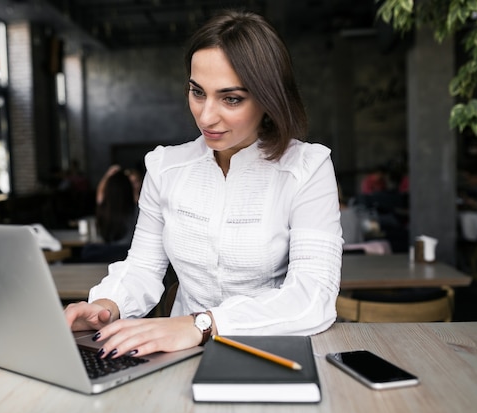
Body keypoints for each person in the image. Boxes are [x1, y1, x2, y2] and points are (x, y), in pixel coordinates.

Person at [65, 10, 343, 359]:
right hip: (178, 352)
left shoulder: (307, 168)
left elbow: (313, 297)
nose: (206, 116)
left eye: (231, 99)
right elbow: (143, 268)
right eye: (197, 92)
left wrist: (203, 324)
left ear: (270, 99)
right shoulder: (165, 167)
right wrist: (107, 305)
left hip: (273, 349)